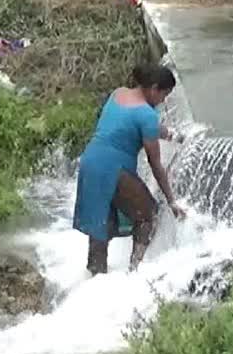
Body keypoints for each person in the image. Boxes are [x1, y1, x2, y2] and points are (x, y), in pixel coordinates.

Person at [74, 63, 186, 275]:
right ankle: (134, 272)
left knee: (102, 223)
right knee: (148, 214)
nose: (163, 100)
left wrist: (172, 135)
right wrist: (171, 200)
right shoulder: (147, 114)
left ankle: (95, 277)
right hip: (113, 168)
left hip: (90, 161)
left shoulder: (118, 94)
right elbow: (156, 165)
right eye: (164, 95)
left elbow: (134, 124)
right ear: (154, 88)